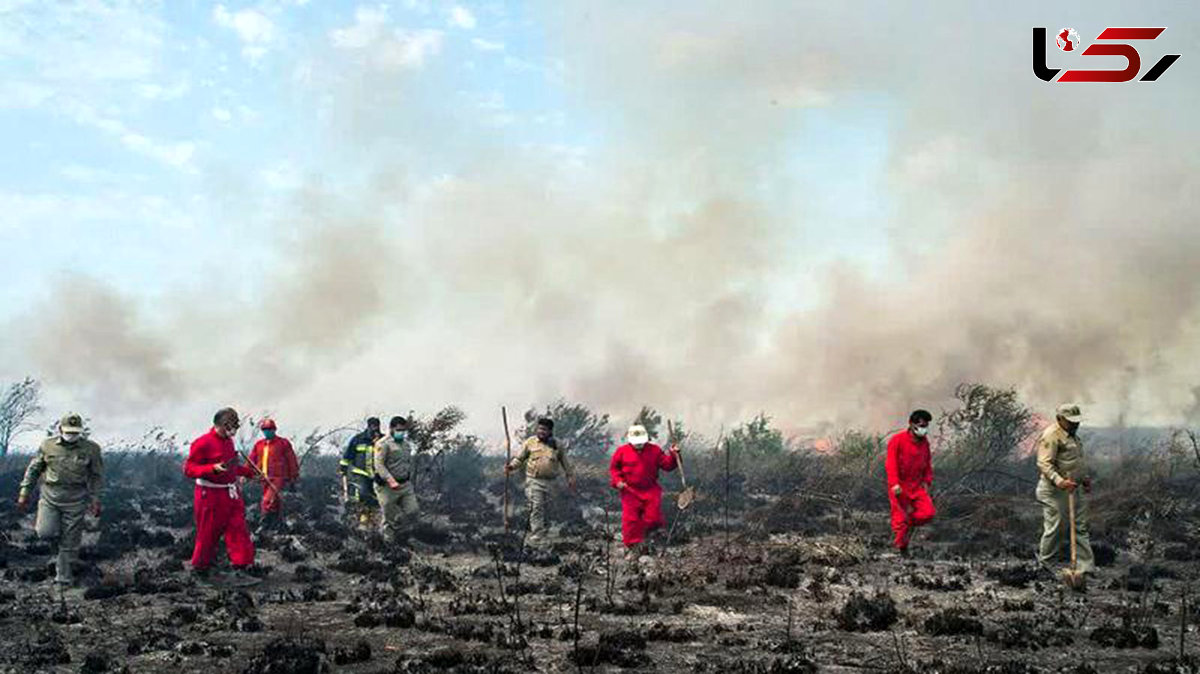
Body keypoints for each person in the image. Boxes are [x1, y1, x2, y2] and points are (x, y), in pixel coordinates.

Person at [16, 413, 103, 585]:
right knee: (45, 532)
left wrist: (95, 499)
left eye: (75, 432)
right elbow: (34, 469)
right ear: (60, 429)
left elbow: (96, 476)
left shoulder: (91, 449)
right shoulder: (47, 445)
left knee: (70, 542)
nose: (72, 436)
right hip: (50, 496)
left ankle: (63, 578)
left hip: (76, 498)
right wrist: (24, 492)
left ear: (81, 431)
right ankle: (59, 554)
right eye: (69, 432)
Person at [182, 408, 260, 586]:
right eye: (233, 424)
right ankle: (200, 570)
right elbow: (189, 469)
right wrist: (211, 469)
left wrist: (249, 473)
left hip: (230, 494)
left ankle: (240, 569)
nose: (235, 428)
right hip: (209, 495)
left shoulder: (229, 442)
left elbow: (232, 467)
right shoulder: (202, 443)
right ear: (223, 424)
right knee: (208, 533)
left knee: (238, 529)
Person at [1036, 403, 1094, 575]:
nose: (1075, 425)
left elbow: (1075, 461)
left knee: (1080, 526)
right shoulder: (1051, 435)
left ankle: (1085, 567)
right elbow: (1044, 463)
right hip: (1054, 490)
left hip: (1074, 488)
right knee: (1056, 526)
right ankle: (1045, 564)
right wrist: (1059, 481)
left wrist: (1084, 479)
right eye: (1071, 422)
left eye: (1077, 421)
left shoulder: (1073, 436)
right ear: (1059, 419)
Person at [609, 424, 678, 560]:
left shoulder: (655, 450)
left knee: (653, 517)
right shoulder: (621, 452)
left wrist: (674, 454)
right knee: (631, 520)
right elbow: (614, 470)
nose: (639, 445)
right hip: (630, 490)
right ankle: (633, 548)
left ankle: (647, 541)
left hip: (650, 489)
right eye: (636, 443)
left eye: (641, 442)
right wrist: (618, 481)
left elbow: (668, 465)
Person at [505, 417, 576, 546]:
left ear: (550, 431)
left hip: (551, 482)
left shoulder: (557, 445)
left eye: (544, 429)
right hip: (534, 480)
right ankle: (537, 533)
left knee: (550, 507)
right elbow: (519, 459)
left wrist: (570, 477)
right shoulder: (530, 442)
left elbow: (565, 462)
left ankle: (547, 528)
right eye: (539, 428)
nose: (541, 431)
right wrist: (511, 467)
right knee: (536, 506)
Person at [885, 409, 936, 556]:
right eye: (920, 425)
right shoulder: (897, 440)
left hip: (917, 486)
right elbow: (891, 464)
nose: (923, 429)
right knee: (900, 518)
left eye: (925, 426)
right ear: (911, 424)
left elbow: (927, 464)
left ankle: (906, 527)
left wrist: (927, 482)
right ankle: (901, 549)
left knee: (928, 513)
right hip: (899, 486)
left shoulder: (925, 443)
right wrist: (894, 484)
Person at [246, 418, 299, 532]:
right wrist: (245, 473)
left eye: (270, 429)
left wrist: (293, 476)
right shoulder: (259, 445)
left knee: (267, 500)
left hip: (278, 477)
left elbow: (291, 460)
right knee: (275, 502)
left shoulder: (283, 443)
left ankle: (264, 524)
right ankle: (276, 525)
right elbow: (251, 460)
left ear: (274, 429)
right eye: (265, 429)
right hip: (264, 478)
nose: (267, 431)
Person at [374, 416, 421, 541]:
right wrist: (390, 480)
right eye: (399, 430)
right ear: (391, 429)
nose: (401, 433)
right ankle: (389, 541)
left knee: (413, 510)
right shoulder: (382, 444)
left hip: (405, 484)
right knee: (391, 516)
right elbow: (379, 465)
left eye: (403, 430)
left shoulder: (406, 445)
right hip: (386, 486)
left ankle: (403, 533)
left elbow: (407, 463)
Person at [340, 417, 382, 529]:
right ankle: (363, 523)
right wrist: (343, 466)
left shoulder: (383, 440)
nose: (375, 429)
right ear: (368, 426)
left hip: (378, 475)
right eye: (372, 426)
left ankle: (373, 524)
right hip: (361, 473)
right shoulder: (358, 439)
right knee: (363, 495)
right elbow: (348, 455)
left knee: (376, 500)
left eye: (377, 426)